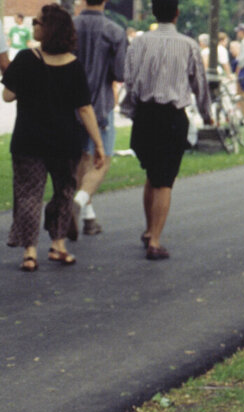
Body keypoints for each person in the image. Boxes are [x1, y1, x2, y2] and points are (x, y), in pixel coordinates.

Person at [4, 4, 106, 272]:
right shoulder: (74, 66)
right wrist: (97, 144)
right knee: (63, 193)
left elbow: (7, 95)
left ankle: (29, 253)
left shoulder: (26, 59)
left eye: (37, 22)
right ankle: (58, 246)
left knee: (28, 195)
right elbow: (84, 108)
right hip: (65, 142)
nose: (33, 26)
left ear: (48, 29)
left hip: (28, 141)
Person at [119, 0, 212, 260]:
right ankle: (155, 241)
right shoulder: (189, 45)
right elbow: (199, 84)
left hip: (145, 116)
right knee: (165, 180)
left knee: (152, 173)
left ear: (153, 12)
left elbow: (129, 79)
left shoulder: (138, 42)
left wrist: (132, 109)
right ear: (177, 13)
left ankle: (150, 230)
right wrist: (207, 114)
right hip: (172, 116)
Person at [71, 0, 126, 237]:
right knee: (101, 160)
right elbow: (121, 72)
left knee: (82, 159)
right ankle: (78, 203)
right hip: (100, 104)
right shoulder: (114, 31)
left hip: (70, 103)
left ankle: (88, 218)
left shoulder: (70, 26)